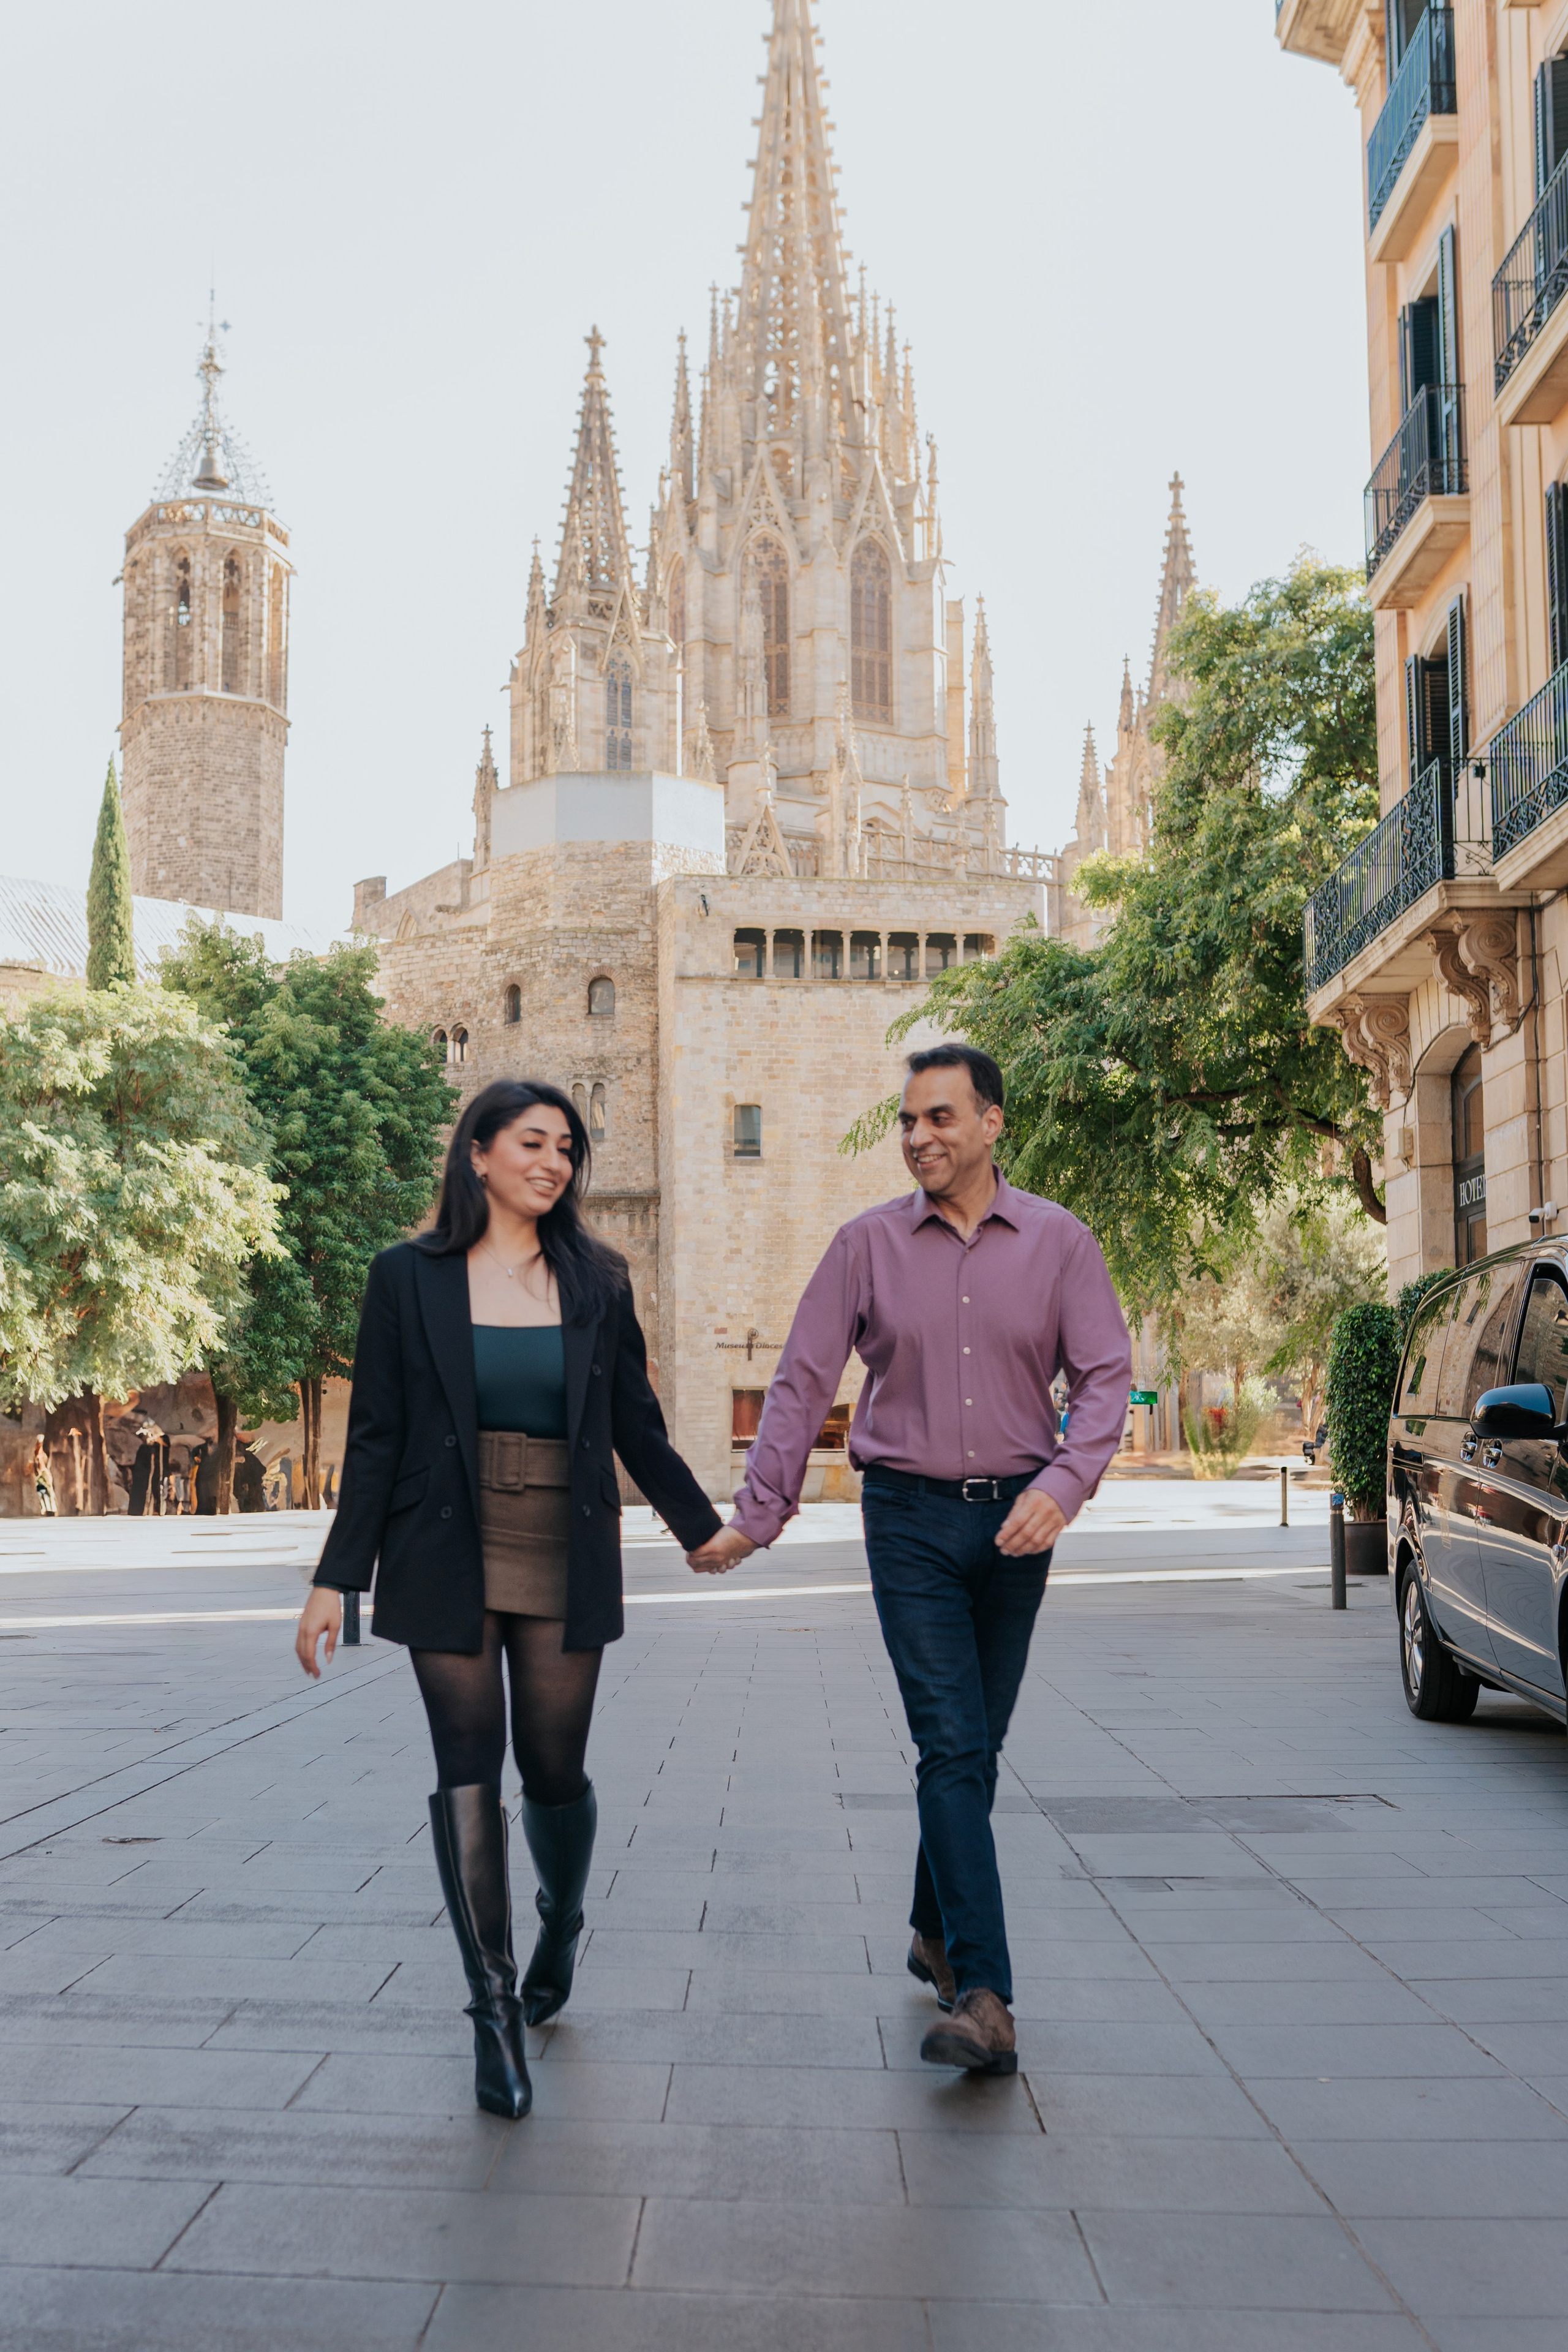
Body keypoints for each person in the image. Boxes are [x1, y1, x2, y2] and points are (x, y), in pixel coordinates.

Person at [689, 1043, 1131, 2076]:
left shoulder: (1060, 1242)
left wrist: (1065, 1484)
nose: (918, 1138)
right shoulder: (866, 1246)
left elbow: (1105, 1377)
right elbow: (802, 1379)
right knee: (951, 1742)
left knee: (976, 1747)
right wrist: (759, 1513)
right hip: (907, 1521)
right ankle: (984, 1993)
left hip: (1018, 1524)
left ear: (992, 1124)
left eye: (940, 1117)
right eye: (907, 1121)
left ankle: (934, 1928)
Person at [295, 1079, 721, 2120]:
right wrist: (335, 1577)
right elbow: (376, 1436)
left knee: (553, 1768)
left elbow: (635, 1422)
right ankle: (492, 2012)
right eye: (533, 1143)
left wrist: (701, 1526)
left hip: (563, 1542)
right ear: (478, 1153)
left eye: (567, 1149)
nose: (554, 1163)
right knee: (467, 1768)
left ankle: (560, 1919)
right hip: (442, 1540)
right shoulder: (407, 1277)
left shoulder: (597, 1278)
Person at [29, 1438, 56, 1518]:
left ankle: (52, 1508)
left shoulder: (42, 1455)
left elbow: (44, 1464)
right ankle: (45, 1508)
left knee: (49, 1491)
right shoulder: (36, 1456)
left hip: (44, 1473)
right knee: (41, 1492)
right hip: (40, 1475)